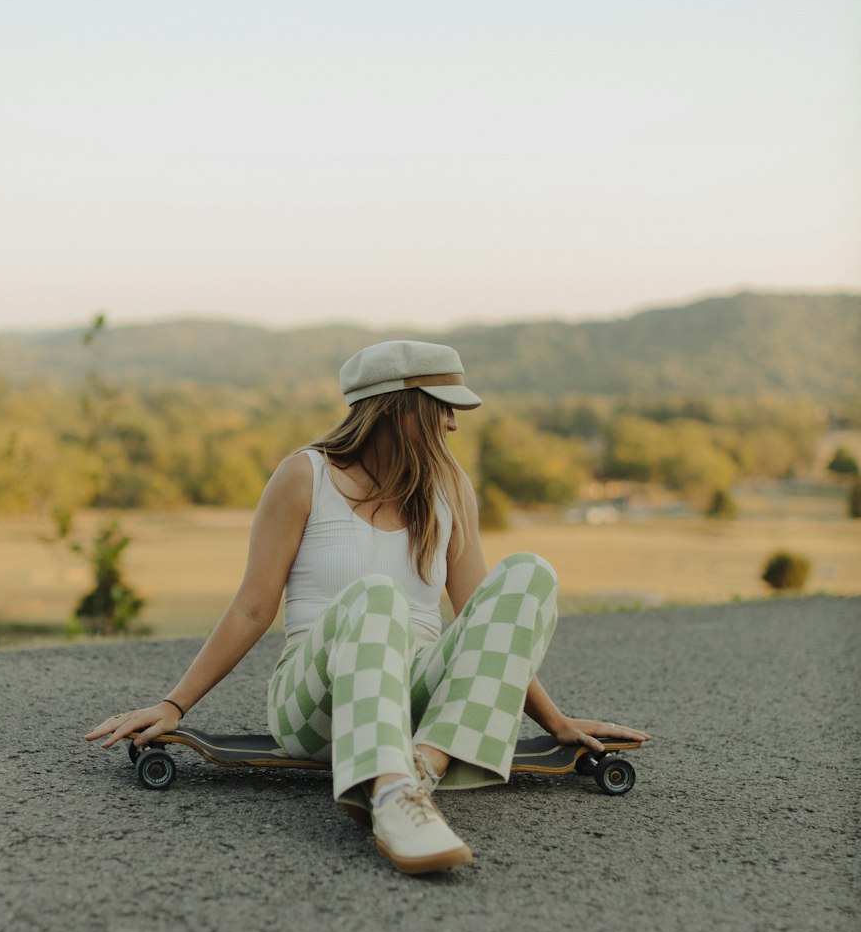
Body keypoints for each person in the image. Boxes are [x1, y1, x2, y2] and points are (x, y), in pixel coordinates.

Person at [86, 341, 649, 875]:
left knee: (529, 572)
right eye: (443, 408)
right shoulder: (305, 476)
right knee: (378, 595)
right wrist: (174, 705)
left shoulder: (449, 487)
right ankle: (393, 794)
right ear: (398, 409)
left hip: (414, 703)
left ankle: (418, 771)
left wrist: (554, 723)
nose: (454, 423)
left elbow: (487, 625)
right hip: (317, 701)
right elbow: (252, 610)